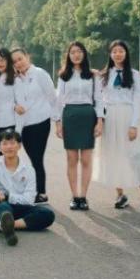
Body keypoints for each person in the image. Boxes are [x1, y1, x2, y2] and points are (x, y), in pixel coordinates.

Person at [93, 40, 140, 213]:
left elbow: (138, 100)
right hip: (110, 118)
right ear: (110, 54)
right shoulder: (104, 75)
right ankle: (120, 195)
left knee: (137, 155)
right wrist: (100, 120)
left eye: (121, 51)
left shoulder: (134, 74)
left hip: (128, 116)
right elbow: (99, 100)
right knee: (114, 155)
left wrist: (134, 125)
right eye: (114, 51)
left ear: (126, 53)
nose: (117, 54)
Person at [0, 130, 55, 246]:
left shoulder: (28, 170)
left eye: (12, 143)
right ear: (0, 148)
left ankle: (5, 225)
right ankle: (7, 228)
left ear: (19, 146)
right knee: (3, 206)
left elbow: (29, 200)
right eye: (5, 143)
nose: (9, 147)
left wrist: (8, 196)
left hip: (20, 207)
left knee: (47, 214)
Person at [54, 41, 99, 211]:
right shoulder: (63, 75)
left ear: (84, 54)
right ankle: (74, 196)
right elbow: (59, 100)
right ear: (68, 55)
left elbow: (99, 99)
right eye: (72, 52)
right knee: (72, 159)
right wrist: (58, 123)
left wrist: (100, 121)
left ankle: (83, 196)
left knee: (86, 159)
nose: (76, 55)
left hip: (88, 115)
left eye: (79, 51)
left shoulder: (92, 75)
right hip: (70, 116)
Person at [10, 47, 56, 203]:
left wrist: (57, 120)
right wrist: (15, 107)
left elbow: (52, 97)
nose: (18, 63)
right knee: (32, 159)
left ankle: (41, 192)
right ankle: (34, 190)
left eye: (20, 59)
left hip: (41, 122)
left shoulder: (40, 74)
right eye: (15, 62)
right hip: (24, 126)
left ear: (27, 57)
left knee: (37, 158)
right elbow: (12, 101)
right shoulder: (15, 80)